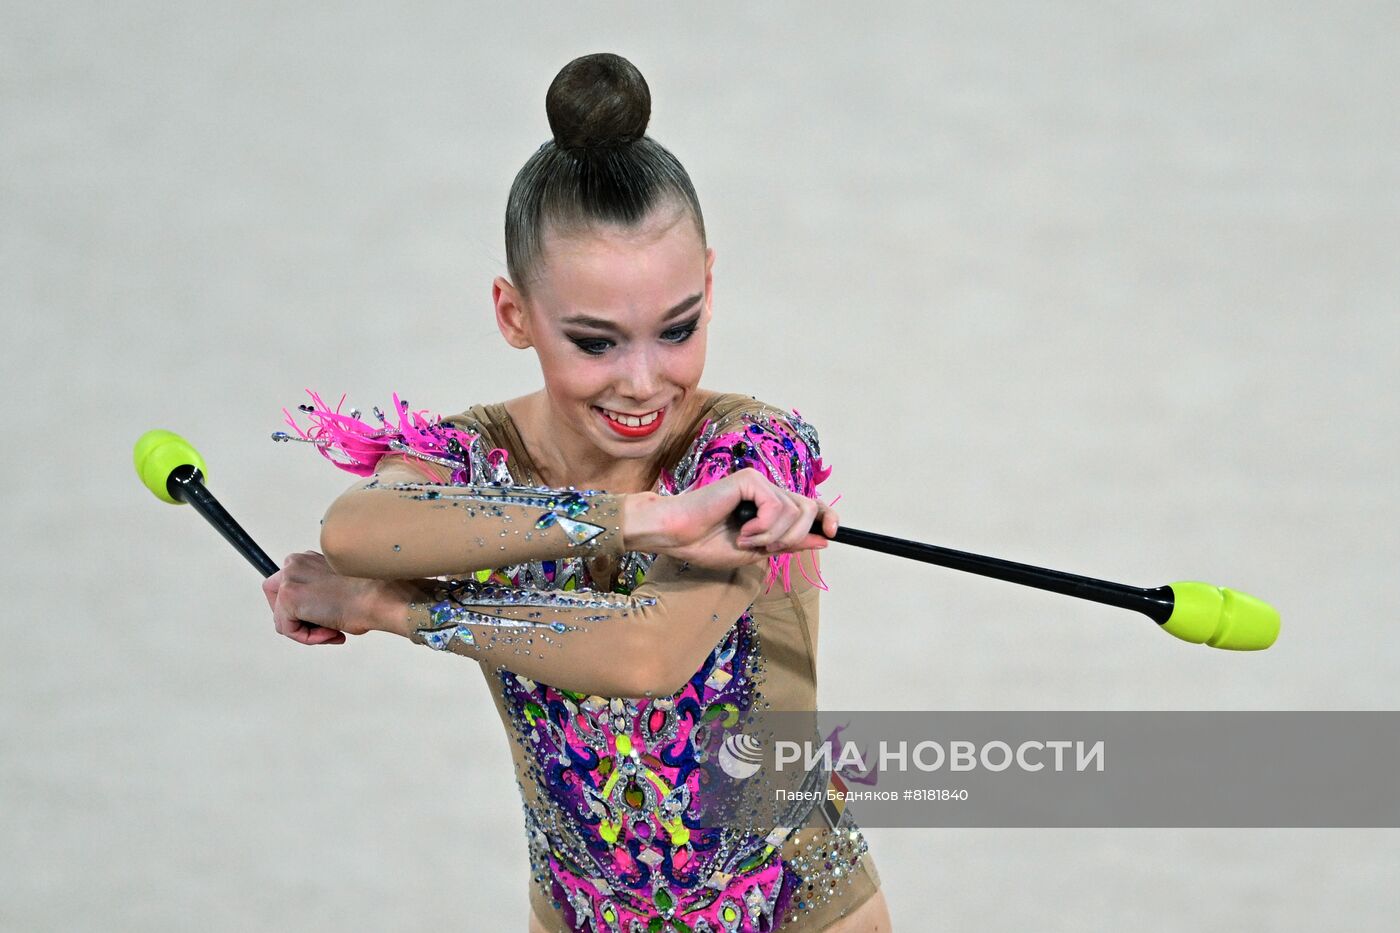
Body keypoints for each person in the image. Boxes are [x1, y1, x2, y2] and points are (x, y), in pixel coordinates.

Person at [263, 53, 893, 933]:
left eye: (677, 329)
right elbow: (360, 528)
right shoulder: (472, 457)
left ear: (710, 286)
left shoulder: (751, 453)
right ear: (513, 313)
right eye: (595, 342)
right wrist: (643, 516)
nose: (642, 382)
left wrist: (391, 608)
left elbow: (646, 658)